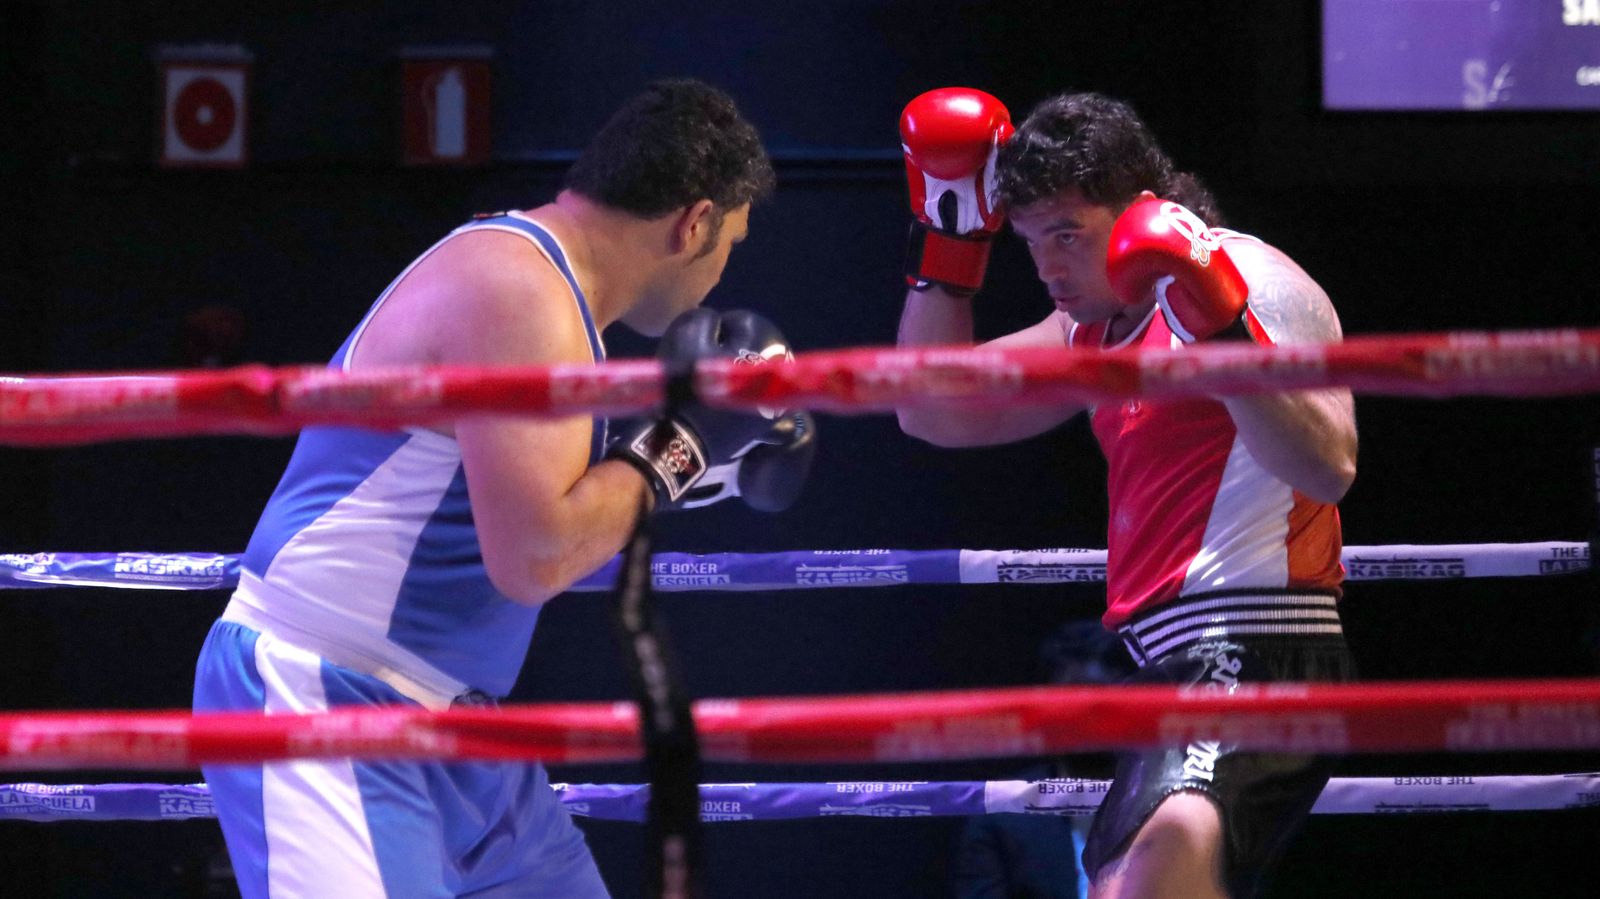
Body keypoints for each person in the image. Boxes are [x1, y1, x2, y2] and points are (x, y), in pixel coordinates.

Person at [193, 79, 815, 898]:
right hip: (325, 690)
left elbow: (553, 501)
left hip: (455, 721)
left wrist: (694, 458)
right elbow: (535, 557)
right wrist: (682, 445)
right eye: (730, 238)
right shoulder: (520, 289)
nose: (722, 269)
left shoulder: (546, 297)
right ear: (694, 223)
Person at [895, 88, 1358, 899]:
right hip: (1161, 665)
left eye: (1067, 235)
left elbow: (1329, 464)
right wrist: (949, 237)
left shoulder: (1252, 277)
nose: (1046, 267)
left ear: (1141, 210)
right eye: (1032, 241)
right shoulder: (1090, 330)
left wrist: (1222, 333)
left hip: (1261, 651)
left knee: (1154, 878)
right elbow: (932, 410)